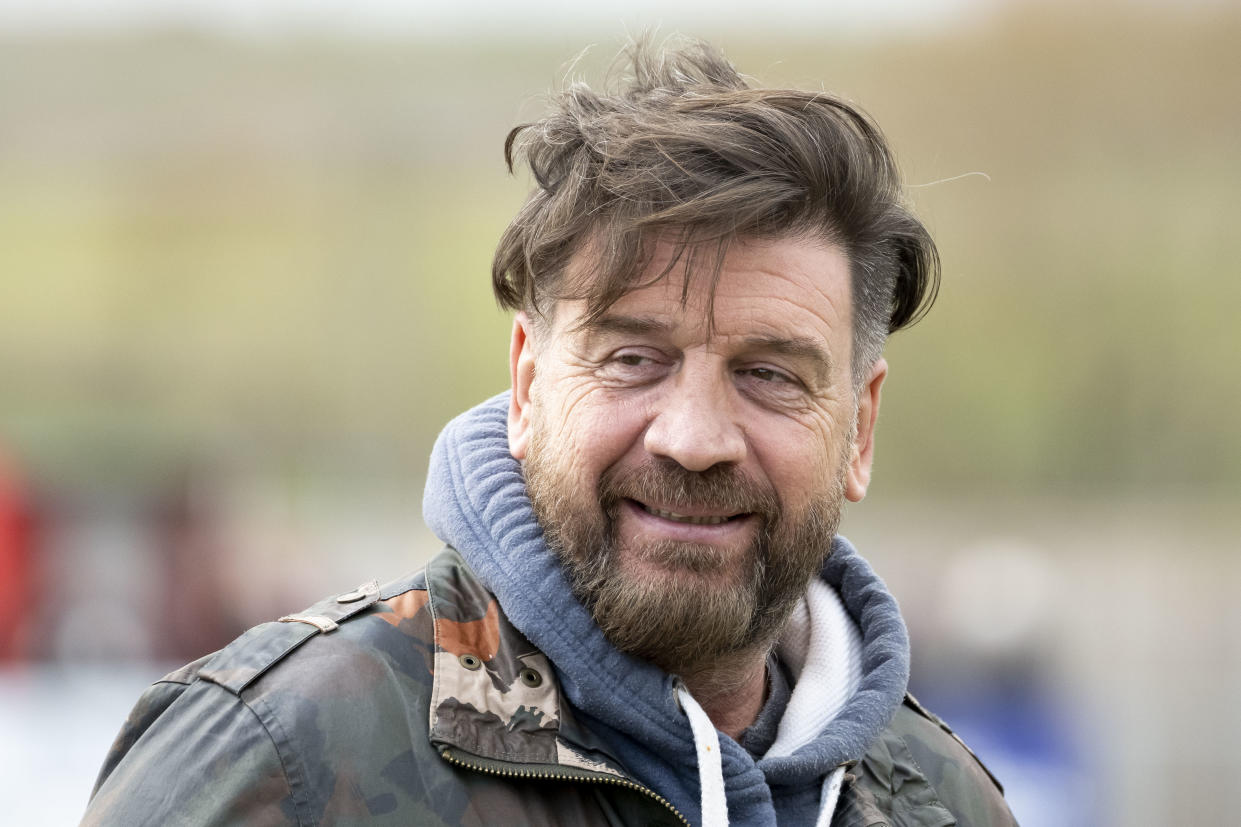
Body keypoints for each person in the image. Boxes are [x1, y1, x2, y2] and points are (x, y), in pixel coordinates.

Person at [83, 39, 1018, 826]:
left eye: (768, 374)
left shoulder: (944, 805)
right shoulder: (282, 764)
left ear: (859, 429)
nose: (693, 439)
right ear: (527, 385)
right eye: (633, 359)